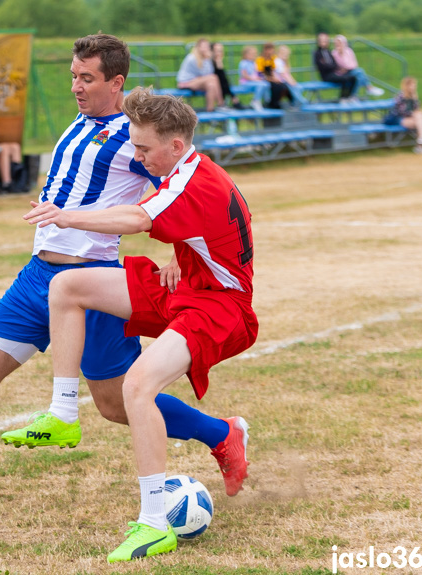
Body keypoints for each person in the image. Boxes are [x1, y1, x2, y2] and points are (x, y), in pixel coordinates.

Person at [0, 35, 236, 517]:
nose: (77, 86)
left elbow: (177, 191)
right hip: (37, 276)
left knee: (113, 402)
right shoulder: (79, 121)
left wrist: (179, 254)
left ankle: (223, 434)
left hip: (91, 285)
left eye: (87, 78)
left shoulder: (135, 135)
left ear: (116, 82)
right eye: (73, 76)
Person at [21, 87, 257, 563]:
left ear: (174, 145)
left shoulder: (195, 184)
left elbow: (135, 217)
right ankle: (64, 413)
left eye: (143, 147)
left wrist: (65, 217)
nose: (136, 154)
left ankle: (153, 523)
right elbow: (194, 223)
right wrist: (179, 252)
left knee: (137, 385)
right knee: (67, 287)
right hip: (189, 286)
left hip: (221, 309)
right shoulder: (186, 168)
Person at [383, 76, 422, 154]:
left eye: (415, 85)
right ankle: (421, 143)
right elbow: (400, 111)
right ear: (407, 86)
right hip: (398, 119)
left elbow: (417, 109)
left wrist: (415, 110)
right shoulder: (401, 96)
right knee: (420, 121)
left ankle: (421, 140)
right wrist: (413, 114)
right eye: (412, 85)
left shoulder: (413, 96)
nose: (414, 87)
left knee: (419, 118)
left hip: (410, 119)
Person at [175, 38, 222, 112]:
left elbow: (209, 72)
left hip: (197, 81)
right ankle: (221, 103)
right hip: (186, 82)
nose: (206, 48)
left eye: (207, 46)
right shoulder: (192, 58)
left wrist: (208, 59)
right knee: (214, 77)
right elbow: (205, 74)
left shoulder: (205, 59)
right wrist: (208, 58)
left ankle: (210, 110)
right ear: (198, 47)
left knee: (211, 85)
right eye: (204, 46)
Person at [312, 33, 357, 102]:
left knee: (353, 78)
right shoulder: (317, 53)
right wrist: (331, 66)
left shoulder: (328, 51)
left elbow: (333, 64)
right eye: (323, 40)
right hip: (326, 76)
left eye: (326, 40)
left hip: (334, 73)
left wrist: (337, 68)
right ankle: (343, 98)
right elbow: (323, 67)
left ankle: (350, 96)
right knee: (344, 79)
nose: (325, 42)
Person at [256, 42, 292, 109]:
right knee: (275, 86)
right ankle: (272, 103)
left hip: (271, 77)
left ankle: (287, 102)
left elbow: (273, 70)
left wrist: (275, 78)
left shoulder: (272, 58)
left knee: (283, 86)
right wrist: (272, 79)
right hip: (263, 79)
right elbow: (260, 74)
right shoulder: (260, 59)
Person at [211, 42, 245, 110]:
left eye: (220, 51)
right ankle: (233, 99)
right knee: (222, 79)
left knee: (223, 79)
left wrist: (219, 62)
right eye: (217, 51)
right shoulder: (209, 62)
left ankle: (229, 100)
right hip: (210, 85)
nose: (219, 53)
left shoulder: (218, 61)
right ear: (212, 51)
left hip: (219, 86)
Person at [238, 45, 270, 111]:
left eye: (255, 54)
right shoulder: (243, 63)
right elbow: (244, 75)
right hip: (246, 83)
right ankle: (255, 101)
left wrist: (262, 77)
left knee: (266, 84)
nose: (254, 55)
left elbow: (258, 73)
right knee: (261, 85)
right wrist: (255, 79)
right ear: (246, 54)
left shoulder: (254, 63)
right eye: (252, 54)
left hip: (254, 82)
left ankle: (267, 101)